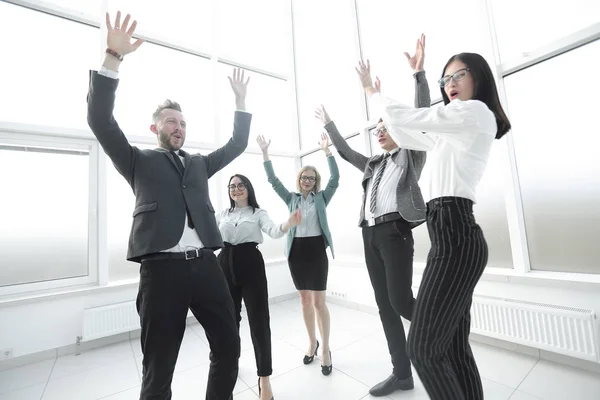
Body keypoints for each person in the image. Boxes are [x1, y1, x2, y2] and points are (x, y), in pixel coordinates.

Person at [87, 11, 252, 400]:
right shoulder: (137, 160)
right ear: (155, 128)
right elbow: (99, 119)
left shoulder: (198, 164)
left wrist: (241, 102)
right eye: (170, 121)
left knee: (228, 348)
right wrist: (113, 57)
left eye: (182, 122)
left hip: (208, 266)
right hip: (161, 273)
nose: (178, 126)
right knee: (158, 369)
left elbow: (236, 146)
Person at [356, 44, 511, 400]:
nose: (451, 83)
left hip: (457, 232)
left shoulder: (475, 113)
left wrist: (373, 91)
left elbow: (416, 119)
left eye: (459, 75)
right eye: (446, 78)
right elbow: (407, 129)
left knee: (423, 350)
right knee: (454, 349)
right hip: (447, 232)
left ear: (479, 79)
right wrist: (415, 78)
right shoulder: (451, 130)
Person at [313, 34, 429, 397]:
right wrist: (330, 125)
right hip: (370, 234)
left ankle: (441, 332)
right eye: (377, 130)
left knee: (400, 300)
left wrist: (419, 76)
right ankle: (402, 374)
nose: (380, 133)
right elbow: (347, 153)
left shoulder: (411, 154)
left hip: (395, 232)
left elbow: (419, 116)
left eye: (385, 128)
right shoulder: (373, 164)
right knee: (385, 306)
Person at [257, 133, 338, 376]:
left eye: (311, 178)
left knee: (319, 303)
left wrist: (327, 151)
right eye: (304, 177)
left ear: (316, 182)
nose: (307, 180)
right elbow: (272, 180)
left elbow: (336, 179)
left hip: (316, 251)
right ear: (299, 179)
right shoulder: (290, 198)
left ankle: (325, 349)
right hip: (297, 253)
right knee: (304, 300)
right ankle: (311, 342)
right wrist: (265, 153)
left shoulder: (322, 198)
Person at [216, 174, 302, 400]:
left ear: (248, 188)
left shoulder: (258, 213)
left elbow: (274, 231)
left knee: (259, 321)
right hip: (224, 263)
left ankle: (264, 377)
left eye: (241, 185)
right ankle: (228, 366)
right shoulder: (223, 215)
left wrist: (288, 224)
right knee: (228, 321)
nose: (236, 189)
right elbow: (210, 236)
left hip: (251, 265)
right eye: (232, 186)